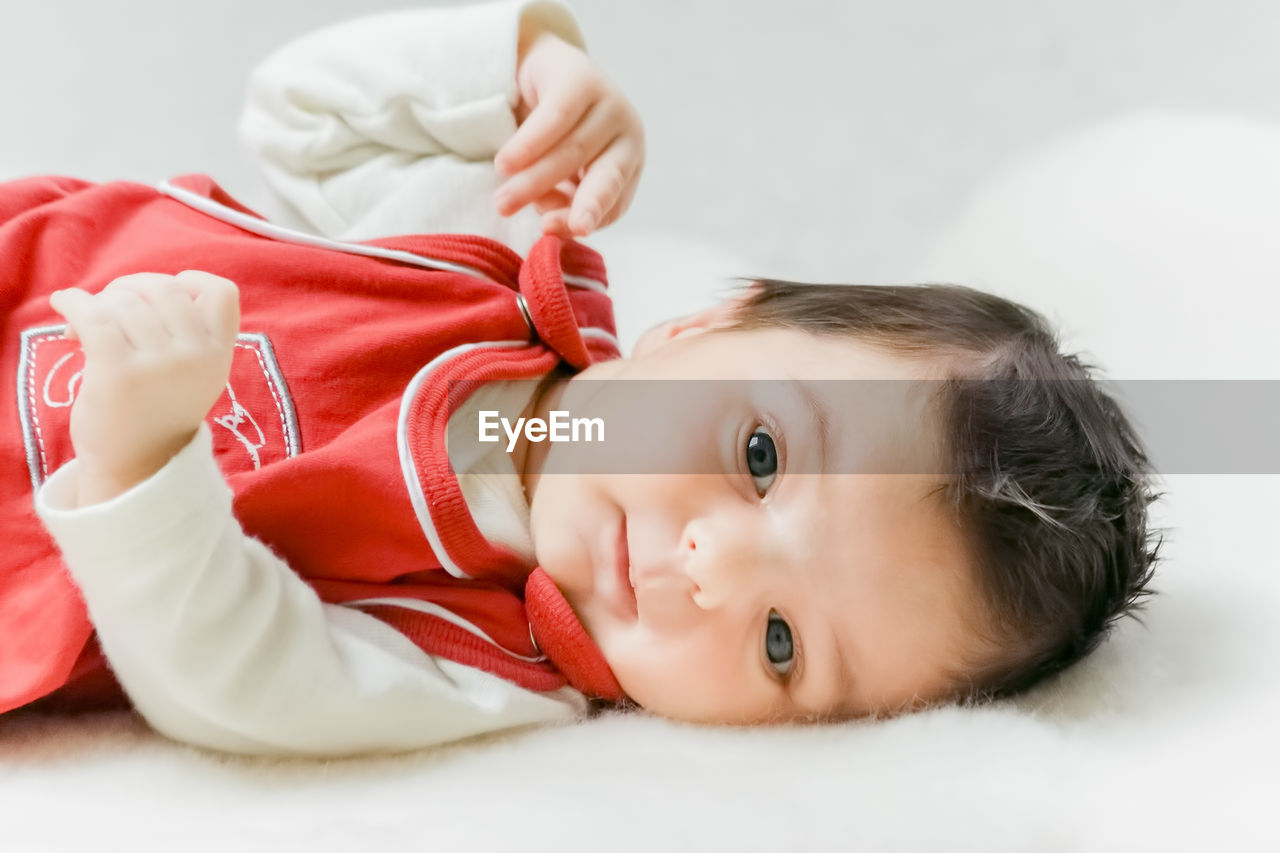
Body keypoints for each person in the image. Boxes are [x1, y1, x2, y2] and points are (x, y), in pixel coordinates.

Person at [0, 0, 1156, 755]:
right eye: (760, 458)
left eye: (779, 644)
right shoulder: (485, 253)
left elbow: (240, 683)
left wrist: (143, 460)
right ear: (705, 326)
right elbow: (303, 112)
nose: (708, 569)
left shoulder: (485, 659)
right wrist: (530, 65)